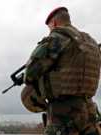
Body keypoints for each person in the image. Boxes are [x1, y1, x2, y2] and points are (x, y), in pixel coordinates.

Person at [21, 7, 101, 135]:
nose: (50, 31)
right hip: (90, 111)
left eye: (49, 27)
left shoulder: (57, 37)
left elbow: (30, 74)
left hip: (64, 113)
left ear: (54, 23)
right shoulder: (90, 42)